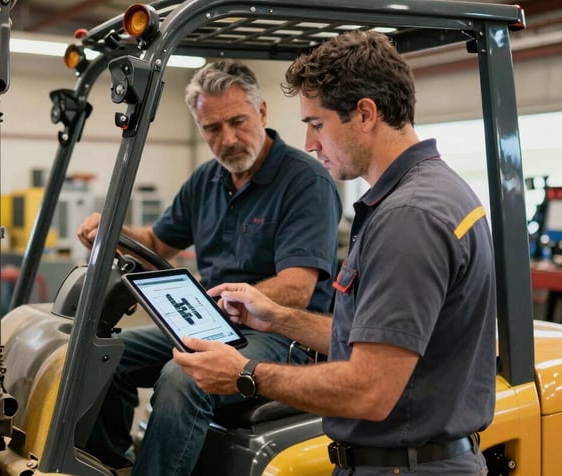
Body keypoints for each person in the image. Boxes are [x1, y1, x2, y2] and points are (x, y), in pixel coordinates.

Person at [173, 30, 496, 476]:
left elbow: (369, 389)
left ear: (365, 113)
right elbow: (376, 339)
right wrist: (276, 317)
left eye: (317, 124)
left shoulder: (410, 217)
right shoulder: (429, 193)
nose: (309, 143)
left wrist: (245, 373)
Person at [77, 61, 342, 475]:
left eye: (237, 121)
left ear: (263, 113)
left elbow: (296, 288)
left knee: (183, 377)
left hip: (281, 335)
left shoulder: (305, 181)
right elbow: (156, 242)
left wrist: (227, 301)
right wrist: (111, 231)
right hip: (209, 321)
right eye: (212, 129)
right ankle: (112, 466)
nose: (229, 139)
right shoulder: (207, 180)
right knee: (101, 354)